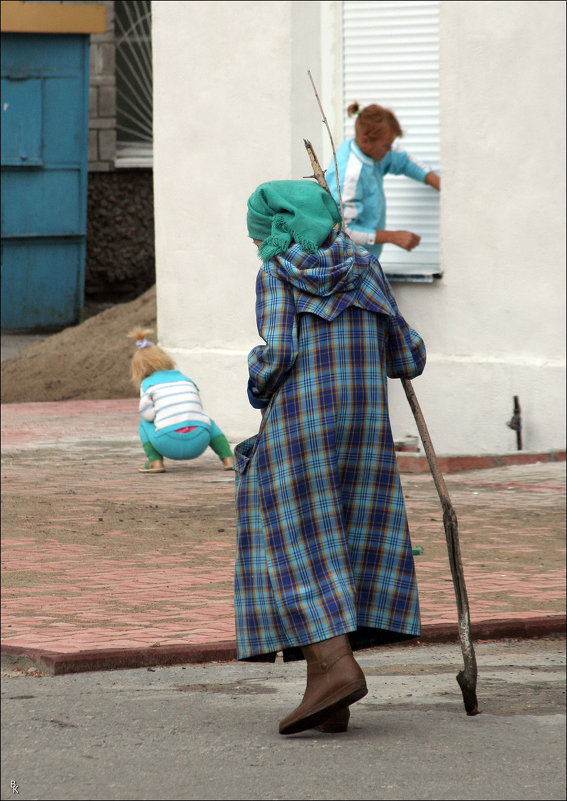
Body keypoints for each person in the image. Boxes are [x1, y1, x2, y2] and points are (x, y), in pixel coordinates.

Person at [234, 180, 427, 736]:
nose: (258, 246)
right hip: (364, 432)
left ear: (279, 229)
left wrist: (254, 377)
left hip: (300, 427)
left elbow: (279, 355)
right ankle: (327, 692)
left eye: (259, 235)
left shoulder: (276, 274)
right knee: (345, 535)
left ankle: (337, 666)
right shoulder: (366, 266)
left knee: (292, 538)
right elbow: (407, 354)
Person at [325, 101, 440, 259]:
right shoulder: (350, 175)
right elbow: (342, 230)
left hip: (368, 259)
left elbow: (403, 161)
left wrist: (442, 186)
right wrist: (393, 237)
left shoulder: (371, 152)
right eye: (386, 146)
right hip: (349, 265)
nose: (389, 151)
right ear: (366, 140)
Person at [128, 328, 233, 474]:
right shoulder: (186, 380)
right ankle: (228, 459)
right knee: (207, 420)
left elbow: (148, 415)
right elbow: (196, 408)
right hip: (199, 440)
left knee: (144, 423)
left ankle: (155, 462)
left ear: (139, 369)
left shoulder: (148, 385)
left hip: (167, 442)